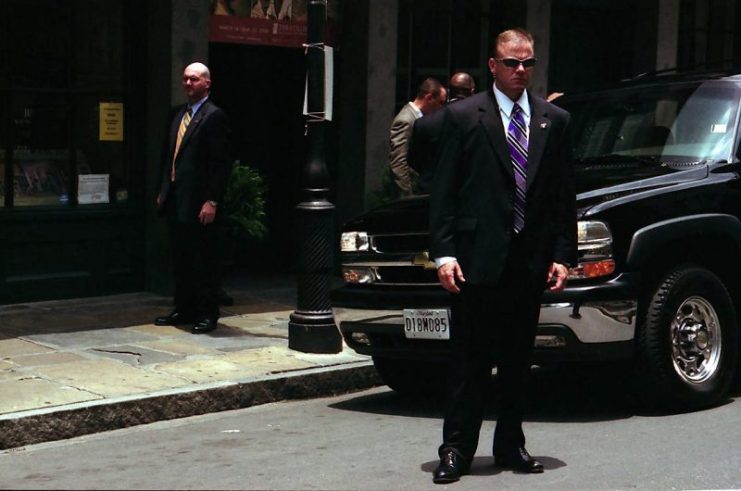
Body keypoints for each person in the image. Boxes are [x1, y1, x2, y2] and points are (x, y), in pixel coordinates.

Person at [429, 29, 577, 484]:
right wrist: (444, 254)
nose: (520, 71)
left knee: (516, 362)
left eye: (527, 63)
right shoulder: (462, 116)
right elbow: (444, 193)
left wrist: (562, 254)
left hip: (528, 260)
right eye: (511, 63)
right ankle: (455, 450)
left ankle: (511, 445)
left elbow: (561, 195)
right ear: (492, 65)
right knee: (469, 363)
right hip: (475, 260)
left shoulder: (554, 120)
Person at [154, 62, 232, 334]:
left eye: (194, 80)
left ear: (207, 83)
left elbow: (220, 164)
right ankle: (183, 308)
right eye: (186, 79)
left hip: (200, 203)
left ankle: (207, 313)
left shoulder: (214, 116)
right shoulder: (177, 115)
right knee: (181, 258)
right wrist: (164, 191)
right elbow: (169, 156)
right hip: (177, 199)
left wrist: (212, 200)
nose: (188, 84)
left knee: (204, 260)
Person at [408, 72, 476, 193]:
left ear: (449, 91)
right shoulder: (481, 122)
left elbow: (413, 160)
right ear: (472, 91)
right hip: (466, 195)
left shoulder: (424, 123)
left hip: (430, 194)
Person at [388, 77, 446, 198]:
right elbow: (399, 162)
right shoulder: (406, 120)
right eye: (440, 102)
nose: (442, 108)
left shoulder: (419, 118)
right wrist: (407, 196)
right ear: (429, 98)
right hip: (412, 193)